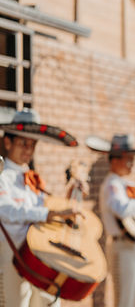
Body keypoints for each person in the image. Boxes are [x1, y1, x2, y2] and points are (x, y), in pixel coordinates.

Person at [0, 109, 79, 307]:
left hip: (40, 256)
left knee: (49, 302)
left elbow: (48, 207)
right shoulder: (2, 175)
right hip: (11, 257)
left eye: (32, 144)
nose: (28, 149)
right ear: (7, 142)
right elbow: (6, 209)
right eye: (23, 143)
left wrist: (69, 199)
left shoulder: (34, 179)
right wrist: (47, 214)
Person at [86, 134, 135, 307]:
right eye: (128, 159)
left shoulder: (126, 184)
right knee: (125, 301)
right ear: (114, 160)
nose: (131, 164)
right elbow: (122, 209)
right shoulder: (112, 184)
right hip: (123, 247)